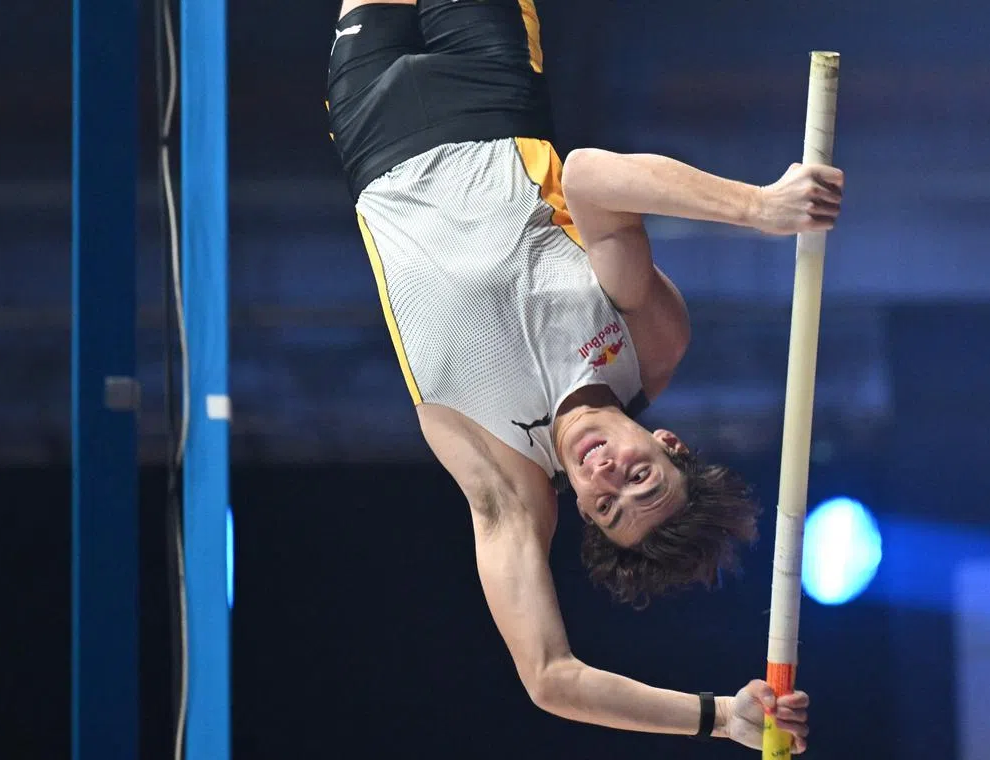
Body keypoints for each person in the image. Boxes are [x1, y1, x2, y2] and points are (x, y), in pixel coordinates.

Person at [327, 0, 843, 751]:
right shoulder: (649, 341)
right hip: (488, 84)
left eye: (605, 507)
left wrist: (718, 717)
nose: (608, 477)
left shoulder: (506, 484)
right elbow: (592, 178)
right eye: (643, 479)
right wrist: (760, 208)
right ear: (669, 444)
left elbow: (550, 678)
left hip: (371, 123)